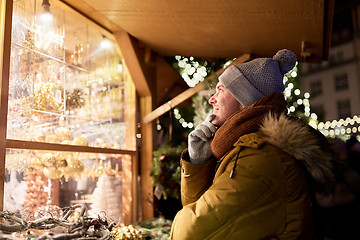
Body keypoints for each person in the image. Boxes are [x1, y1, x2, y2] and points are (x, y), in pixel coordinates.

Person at [170, 49, 336, 239]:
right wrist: (198, 162)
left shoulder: (262, 157)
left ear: (244, 99)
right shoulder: (241, 148)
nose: (211, 99)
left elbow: (191, 232)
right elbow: (200, 211)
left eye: (220, 90)